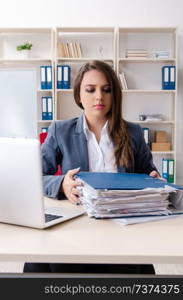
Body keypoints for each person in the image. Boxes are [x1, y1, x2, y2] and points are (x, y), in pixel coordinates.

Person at [24, 60, 159, 274]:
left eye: (107, 90)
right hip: (76, 225)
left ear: (114, 95)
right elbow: (34, 177)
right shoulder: (60, 130)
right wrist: (61, 184)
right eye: (90, 90)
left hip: (121, 227)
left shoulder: (133, 132)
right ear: (79, 95)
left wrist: (154, 181)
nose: (99, 97)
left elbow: (149, 174)